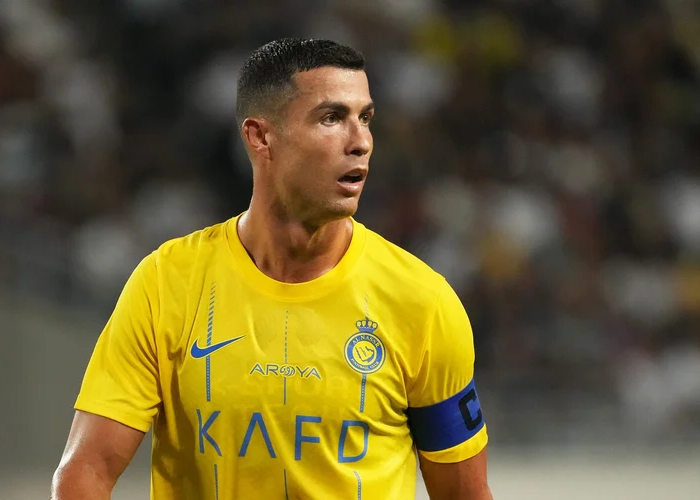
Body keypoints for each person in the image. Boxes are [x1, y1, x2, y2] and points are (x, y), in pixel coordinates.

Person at [51, 38, 492, 500]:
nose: (360, 141)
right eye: (331, 118)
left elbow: (464, 494)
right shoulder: (166, 283)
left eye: (365, 118)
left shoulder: (422, 301)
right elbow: (86, 471)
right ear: (261, 137)